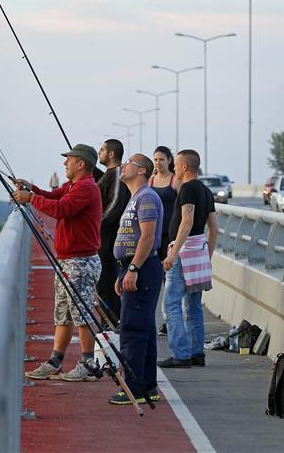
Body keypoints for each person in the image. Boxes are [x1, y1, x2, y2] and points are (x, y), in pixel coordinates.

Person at [13, 144, 104, 382]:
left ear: (81, 163)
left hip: (81, 262)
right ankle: (55, 362)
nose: (65, 163)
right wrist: (31, 189)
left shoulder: (86, 188)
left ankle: (88, 364)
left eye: (69, 160)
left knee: (82, 313)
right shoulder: (73, 186)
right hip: (67, 262)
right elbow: (53, 196)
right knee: (63, 313)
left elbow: (61, 208)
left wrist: (30, 198)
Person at [108, 153, 163, 405]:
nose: (122, 166)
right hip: (133, 268)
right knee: (145, 330)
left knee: (132, 329)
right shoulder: (135, 198)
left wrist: (132, 268)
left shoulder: (147, 197)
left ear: (141, 171)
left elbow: (148, 237)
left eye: (128, 162)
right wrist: (124, 270)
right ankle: (147, 386)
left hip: (141, 268)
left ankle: (132, 388)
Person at [157, 149, 218, 369]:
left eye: (176, 164)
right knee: (193, 305)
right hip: (199, 253)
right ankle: (196, 353)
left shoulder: (187, 189)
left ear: (184, 167)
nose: (173, 168)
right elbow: (214, 228)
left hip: (183, 253)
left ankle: (181, 355)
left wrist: (172, 254)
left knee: (171, 303)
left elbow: (187, 222)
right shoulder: (206, 190)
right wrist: (207, 257)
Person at [96, 139, 131, 327]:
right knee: (103, 283)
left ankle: (112, 324)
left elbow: (115, 205)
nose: (98, 152)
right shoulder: (108, 174)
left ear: (111, 154)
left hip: (109, 240)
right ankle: (107, 323)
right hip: (103, 238)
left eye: (102, 150)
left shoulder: (117, 173)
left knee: (107, 283)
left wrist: (95, 223)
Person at [149, 146, 180, 336]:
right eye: (155, 159)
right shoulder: (150, 181)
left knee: (171, 281)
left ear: (169, 160)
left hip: (171, 236)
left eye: (161, 159)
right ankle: (156, 321)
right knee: (156, 280)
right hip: (154, 236)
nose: (158, 163)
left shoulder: (175, 181)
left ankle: (170, 322)